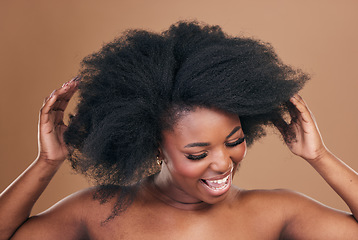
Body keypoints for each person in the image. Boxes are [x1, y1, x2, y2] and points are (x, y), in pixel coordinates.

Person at [1, 21, 357, 240]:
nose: (222, 163)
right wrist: (47, 162)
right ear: (155, 146)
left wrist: (319, 157)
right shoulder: (98, 211)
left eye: (234, 141)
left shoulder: (276, 212)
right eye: (197, 153)